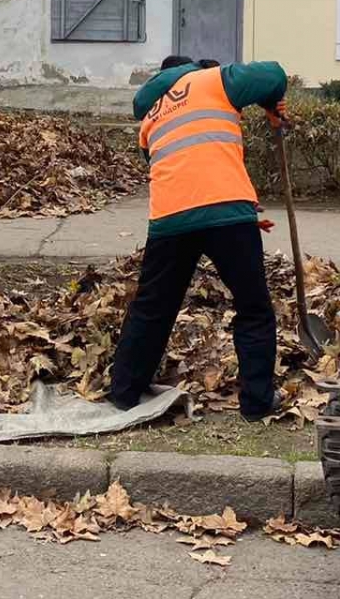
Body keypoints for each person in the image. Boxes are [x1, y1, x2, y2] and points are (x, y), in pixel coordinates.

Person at [107, 55, 289, 422]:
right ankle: (257, 403)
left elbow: (184, 164)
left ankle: (124, 393)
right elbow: (274, 75)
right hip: (226, 214)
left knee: (152, 307)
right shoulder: (211, 80)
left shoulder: (151, 114)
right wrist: (271, 104)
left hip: (170, 219)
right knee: (253, 308)